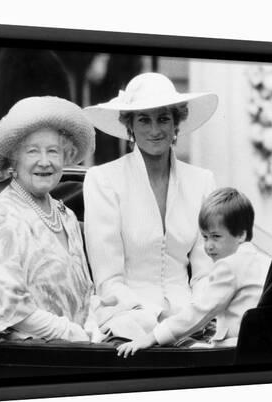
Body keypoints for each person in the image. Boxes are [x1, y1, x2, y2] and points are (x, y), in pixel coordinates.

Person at [83, 72, 219, 340]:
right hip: (126, 319)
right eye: (144, 119)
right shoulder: (103, 180)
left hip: (191, 321)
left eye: (163, 118)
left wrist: (192, 317)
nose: (155, 130)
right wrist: (153, 322)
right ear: (130, 126)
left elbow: (207, 273)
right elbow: (108, 281)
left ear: (176, 124)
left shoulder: (202, 181)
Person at [0, 96, 103, 342]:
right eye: (32, 151)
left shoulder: (67, 215)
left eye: (53, 151)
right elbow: (9, 309)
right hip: (32, 355)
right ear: (13, 161)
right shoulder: (0, 217)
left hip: (82, 350)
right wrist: (72, 334)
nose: (45, 161)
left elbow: (86, 292)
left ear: (65, 157)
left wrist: (93, 327)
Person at [117, 188, 270, 356]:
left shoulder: (229, 266)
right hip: (261, 343)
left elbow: (201, 311)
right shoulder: (261, 259)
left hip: (236, 348)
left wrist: (153, 337)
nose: (208, 246)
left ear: (241, 235)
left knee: (178, 347)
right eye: (204, 237)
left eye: (216, 236)